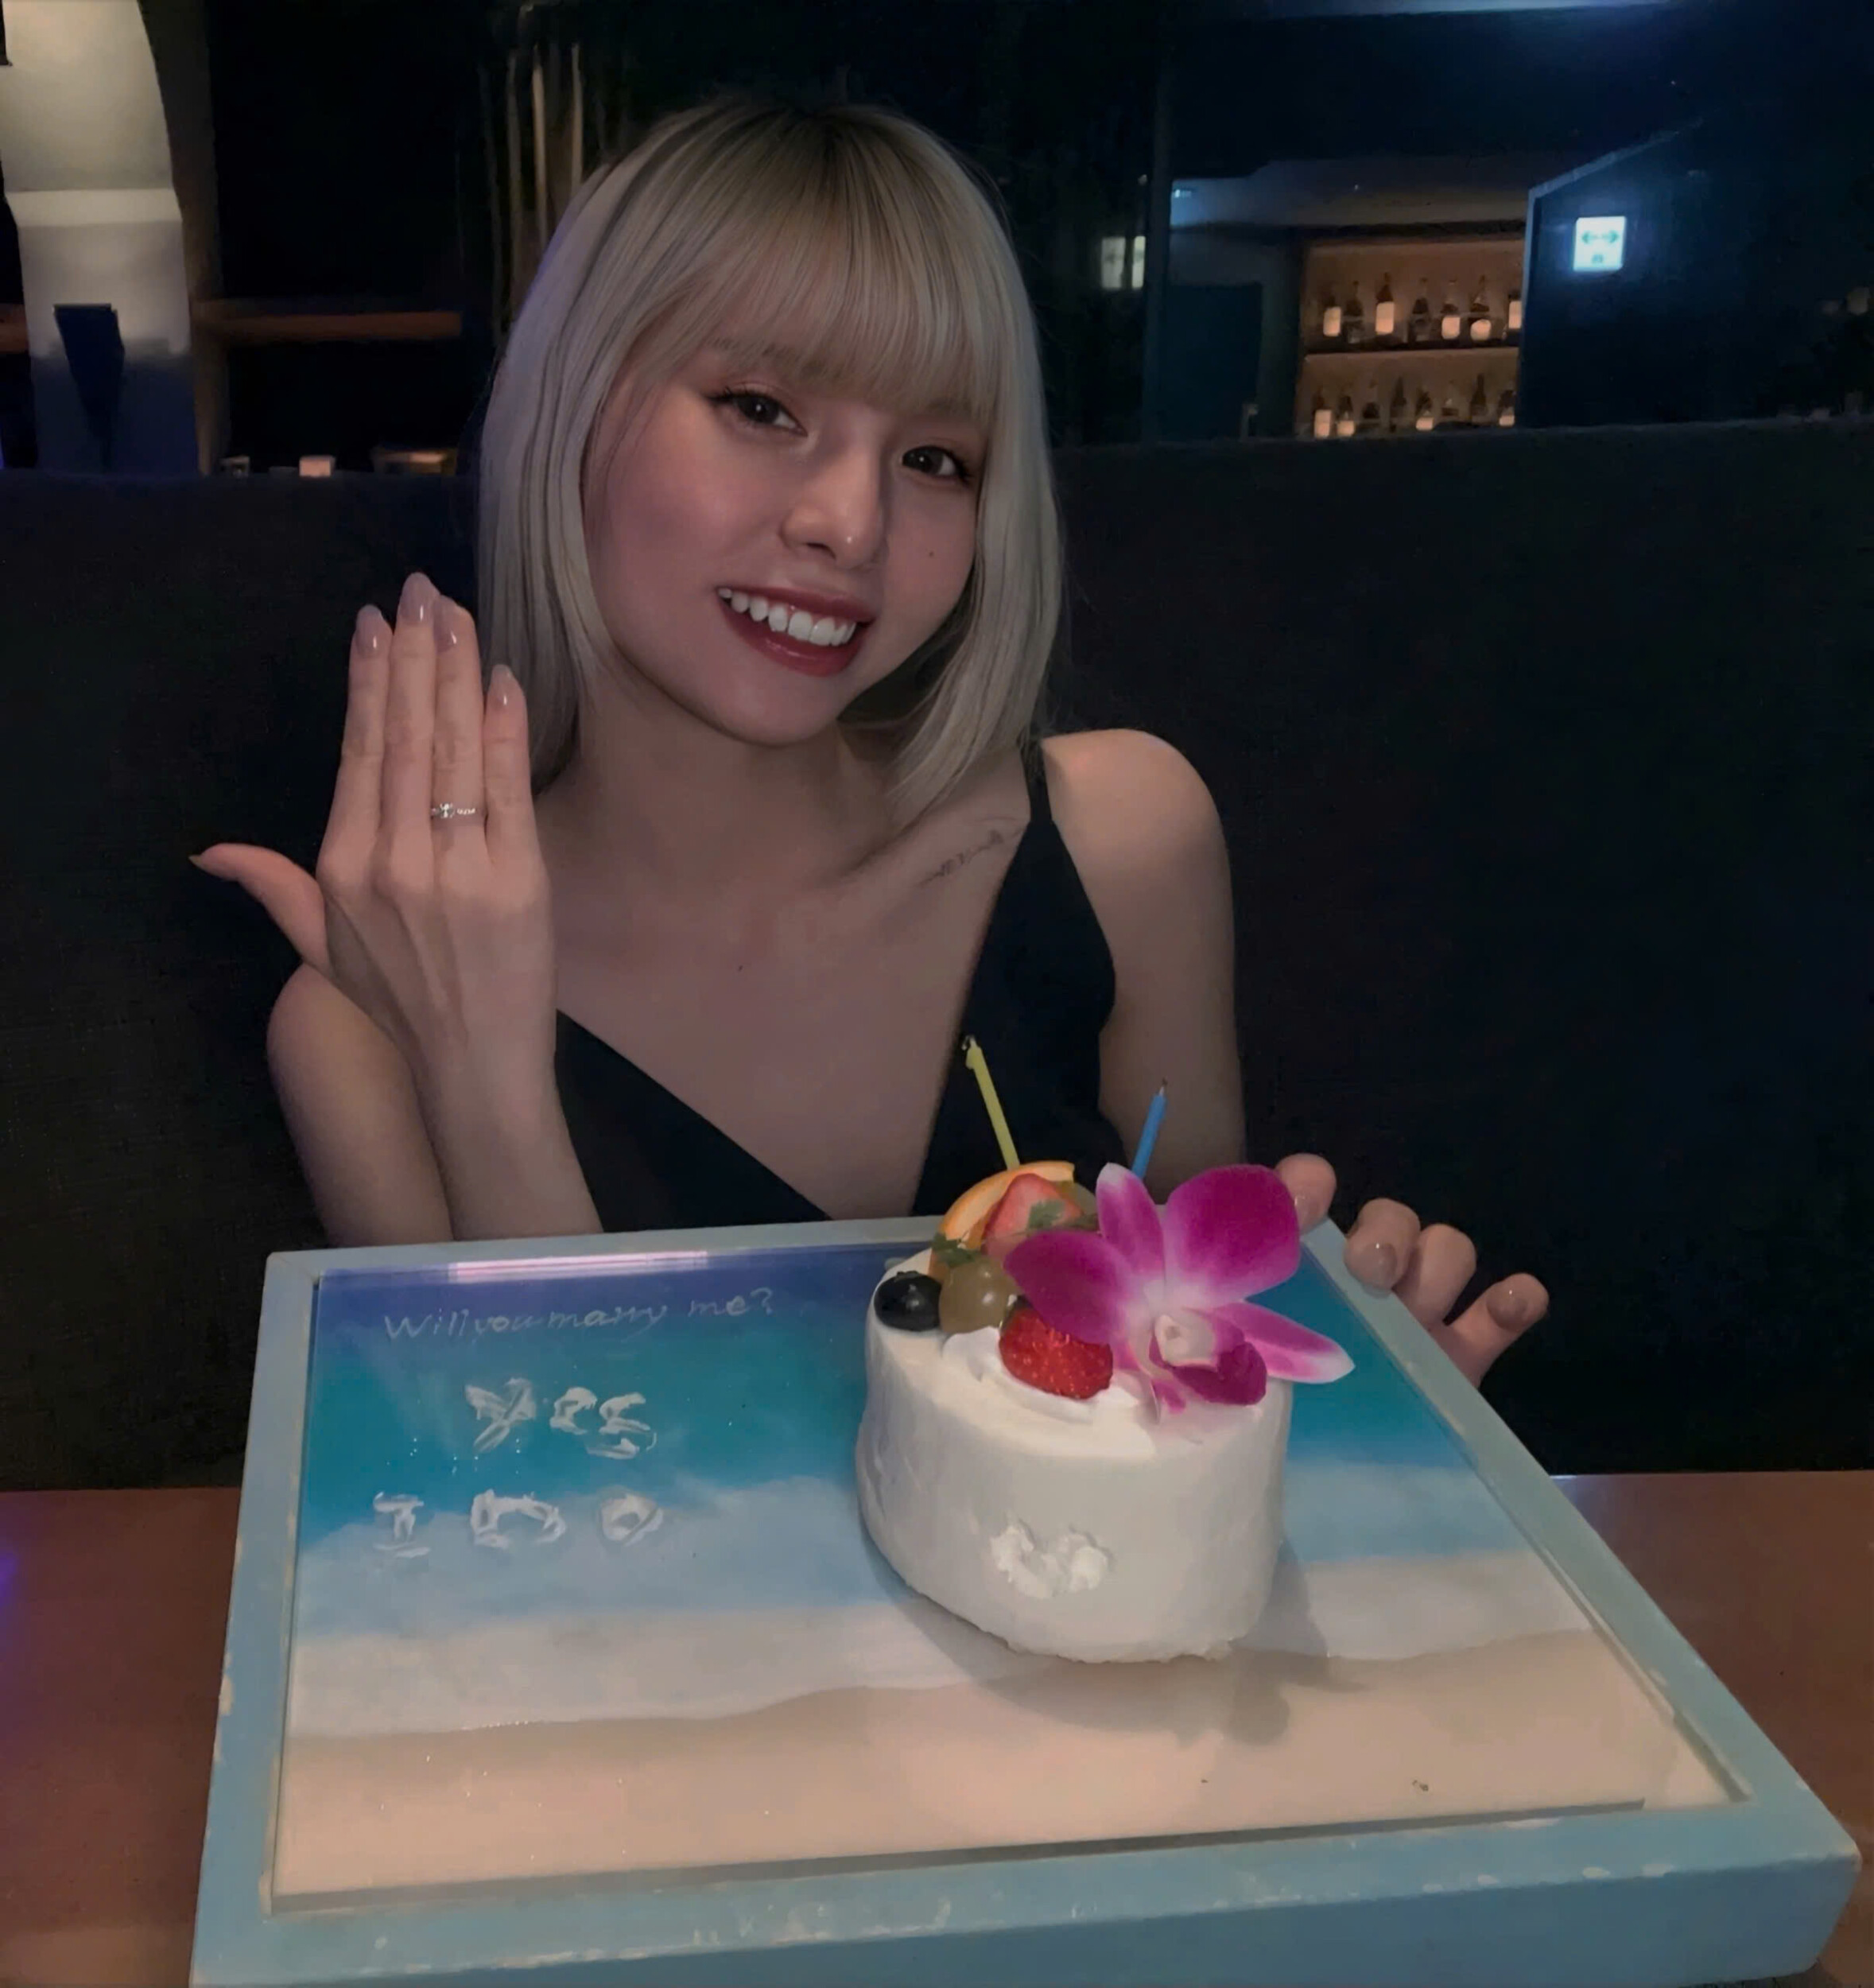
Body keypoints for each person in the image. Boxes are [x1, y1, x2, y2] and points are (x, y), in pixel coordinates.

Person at [192, 95, 1547, 1388]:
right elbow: (540, 1505)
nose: (851, 523)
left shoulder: (1122, 840)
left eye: (935, 459)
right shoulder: (368, 1016)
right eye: (761, 408)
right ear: (572, 408)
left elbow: (1186, 1376)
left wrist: (1348, 1414)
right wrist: (488, 1087)